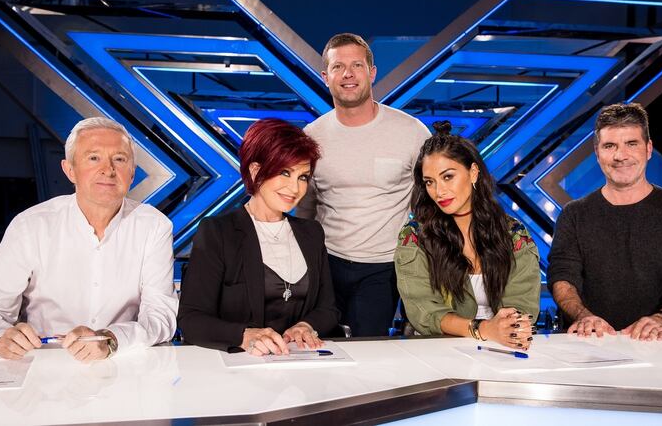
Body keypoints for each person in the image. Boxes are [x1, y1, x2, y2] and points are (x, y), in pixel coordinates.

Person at [0, 117, 178, 361]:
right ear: (70, 170)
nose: (108, 169)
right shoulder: (32, 225)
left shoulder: (154, 226)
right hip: (42, 367)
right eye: (94, 158)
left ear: (132, 173)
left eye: (119, 159)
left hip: (121, 364)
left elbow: (161, 317)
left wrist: (112, 339)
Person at [296, 32, 430, 337]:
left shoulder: (411, 132)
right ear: (325, 77)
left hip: (383, 266)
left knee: (369, 350)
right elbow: (304, 206)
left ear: (371, 73)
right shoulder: (311, 136)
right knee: (320, 350)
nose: (347, 74)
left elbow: (430, 205)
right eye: (338, 67)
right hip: (324, 262)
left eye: (356, 65)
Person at [547, 103, 662, 341]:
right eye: (610, 145)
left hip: (661, 346)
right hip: (589, 345)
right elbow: (562, 277)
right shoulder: (574, 214)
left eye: (631, 144)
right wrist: (583, 315)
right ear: (597, 152)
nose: (620, 156)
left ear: (648, 149)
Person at [178, 119, 338, 355]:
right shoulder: (218, 232)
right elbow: (191, 320)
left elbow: (328, 308)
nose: (295, 189)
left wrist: (306, 325)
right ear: (255, 171)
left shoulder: (311, 233)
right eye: (285, 173)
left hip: (300, 368)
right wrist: (244, 335)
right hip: (239, 371)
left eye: (303, 177)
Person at [395, 121, 540, 349]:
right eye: (429, 182)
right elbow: (423, 310)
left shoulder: (513, 234)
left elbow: (523, 303)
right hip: (441, 350)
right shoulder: (415, 236)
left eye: (448, 177)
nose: (439, 191)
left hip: (505, 347)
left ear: (473, 173)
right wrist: (483, 330)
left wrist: (509, 328)